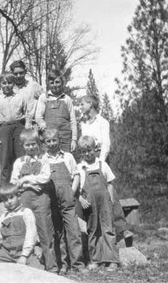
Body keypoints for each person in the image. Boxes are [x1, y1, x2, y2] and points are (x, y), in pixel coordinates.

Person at [79, 95, 132, 243]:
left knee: (109, 191)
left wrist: (100, 163)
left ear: (90, 104)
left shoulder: (103, 122)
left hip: (100, 158)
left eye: (82, 104)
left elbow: (106, 145)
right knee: (88, 191)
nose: (80, 107)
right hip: (87, 159)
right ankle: (95, 230)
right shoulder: (83, 124)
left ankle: (122, 228)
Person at [10, 129, 56, 272]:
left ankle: (52, 267)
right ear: (23, 146)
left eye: (33, 144)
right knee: (26, 231)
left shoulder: (44, 159)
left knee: (46, 232)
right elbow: (13, 182)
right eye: (27, 145)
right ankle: (28, 266)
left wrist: (25, 178)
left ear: (38, 144)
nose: (30, 147)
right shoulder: (19, 162)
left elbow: (45, 177)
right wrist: (28, 184)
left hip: (41, 199)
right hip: (24, 200)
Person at [42, 128, 86, 274]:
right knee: (57, 233)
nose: (52, 143)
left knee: (73, 231)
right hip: (52, 202)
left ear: (59, 140)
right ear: (45, 143)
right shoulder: (44, 159)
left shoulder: (67, 157)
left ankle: (78, 265)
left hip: (68, 201)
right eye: (48, 141)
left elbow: (76, 175)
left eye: (54, 140)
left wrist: (72, 192)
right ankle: (63, 264)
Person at [76, 135, 119, 272]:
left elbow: (110, 183)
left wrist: (111, 199)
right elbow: (76, 188)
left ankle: (112, 260)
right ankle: (95, 260)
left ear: (95, 149)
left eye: (90, 150)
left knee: (108, 229)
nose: (87, 154)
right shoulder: (79, 168)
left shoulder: (102, 164)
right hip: (89, 204)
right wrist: (81, 199)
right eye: (84, 151)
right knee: (93, 230)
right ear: (81, 153)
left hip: (105, 202)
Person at [0, 185, 40, 268]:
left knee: (36, 270)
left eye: (11, 198)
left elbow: (31, 236)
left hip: (24, 251)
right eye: (5, 200)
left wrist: (24, 256)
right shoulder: (3, 217)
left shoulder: (26, 212)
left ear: (19, 197)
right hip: (6, 253)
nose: (9, 201)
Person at [0, 72, 30, 184]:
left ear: (14, 84)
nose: (7, 85)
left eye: (9, 83)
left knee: (22, 158)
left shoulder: (20, 97)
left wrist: (27, 130)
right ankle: (6, 192)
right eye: (4, 83)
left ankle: (25, 188)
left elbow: (27, 114)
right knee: (5, 161)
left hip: (19, 128)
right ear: (0, 84)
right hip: (4, 130)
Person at [35, 69, 77, 152]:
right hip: (50, 139)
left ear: (62, 82)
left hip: (65, 138)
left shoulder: (67, 99)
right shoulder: (44, 98)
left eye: (57, 82)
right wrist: (44, 128)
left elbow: (73, 121)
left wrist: (74, 139)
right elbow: (38, 117)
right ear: (48, 83)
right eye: (52, 83)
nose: (55, 85)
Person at [9, 60, 44, 127]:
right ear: (12, 74)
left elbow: (46, 100)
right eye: (15, 74)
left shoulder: (33, 86)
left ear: (25, 71)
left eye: (21, 73)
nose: (18, 76)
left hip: (32, 126)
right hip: (16, 126)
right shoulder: (9, 89)